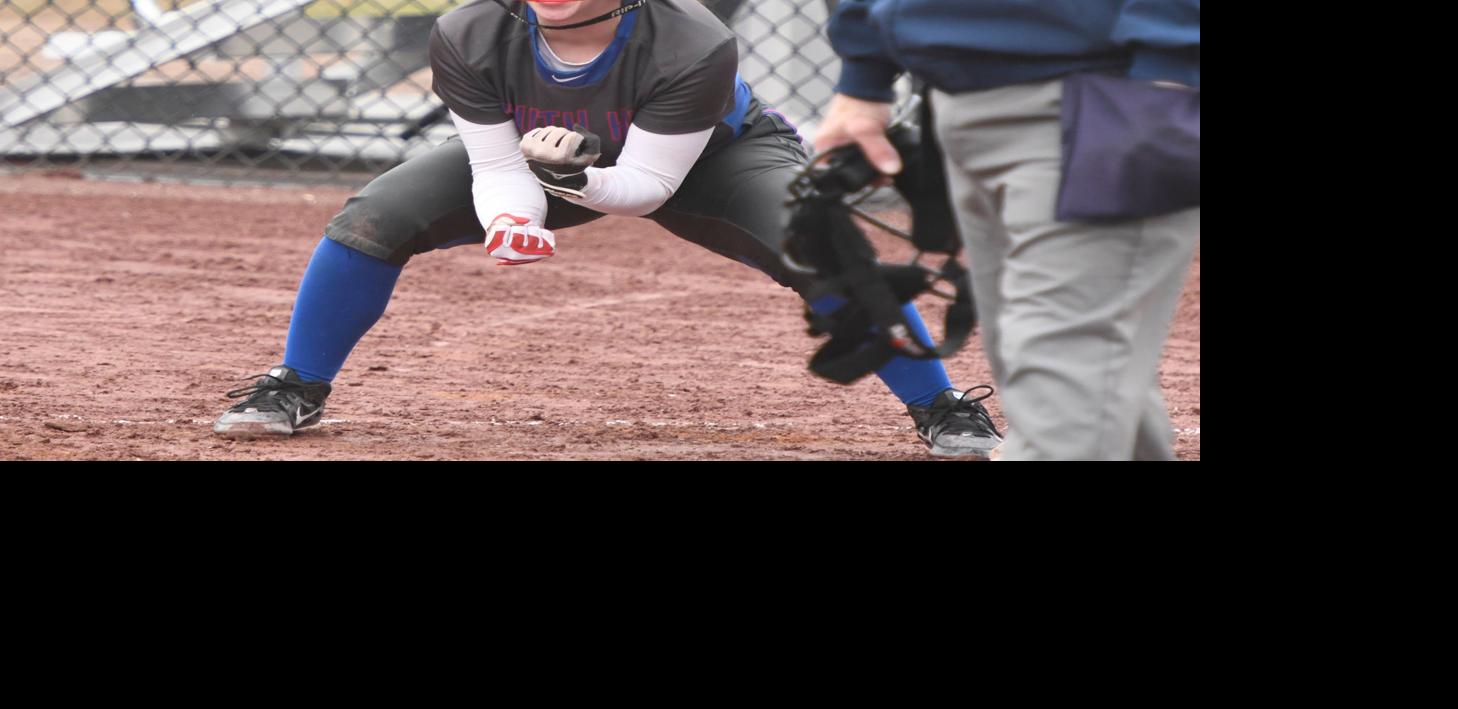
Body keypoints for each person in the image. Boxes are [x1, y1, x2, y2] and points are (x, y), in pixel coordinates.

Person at [213, 0, 1002, 458]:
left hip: (710, 161)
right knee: (374, 217)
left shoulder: (693, 41)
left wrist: (572, 180)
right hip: (532, 158)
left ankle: (942, 407)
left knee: (823, 244)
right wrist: (517, 219)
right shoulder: (469, 30)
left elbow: (650, 188)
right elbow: (493, 166)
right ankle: (297, 384)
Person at [814, 0, 1201, 460]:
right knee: (1073, 377)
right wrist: (865, 75)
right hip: (961, 100)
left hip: (1102, 96)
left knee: (1062, 379)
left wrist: (1172, 68)